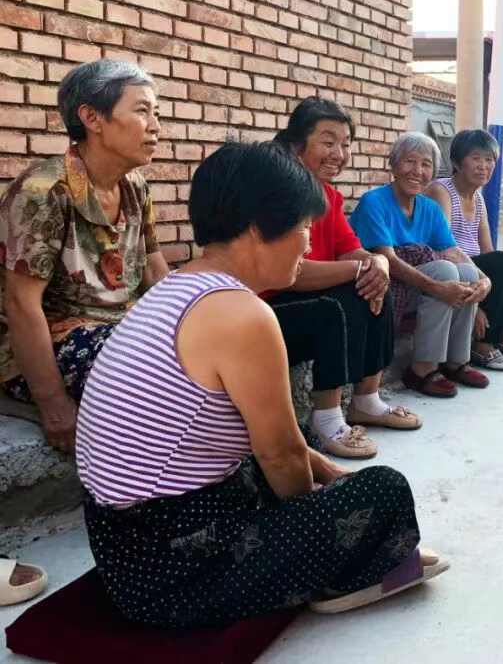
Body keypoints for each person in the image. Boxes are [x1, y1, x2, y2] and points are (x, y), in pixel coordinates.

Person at [75, 142, 447, 629]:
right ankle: (339, 575)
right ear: (257, 229)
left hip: (123, 547)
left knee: (301, 438)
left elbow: (274, 441)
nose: (309, 246)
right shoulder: (243, 313)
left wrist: (324, 470)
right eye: (303, 228)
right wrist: (322, 524)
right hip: (177, 572)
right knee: (386, 488)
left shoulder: (175, 287)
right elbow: (280, 458)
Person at [0, 59, 168, 453]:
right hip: (55, 341)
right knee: (152, 369)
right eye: (142, 111)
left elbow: (154, 269)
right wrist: (54, 404)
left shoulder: (135, 187)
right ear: (92, 118)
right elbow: (21, 305)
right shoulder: (44, 192)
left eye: (156, 113)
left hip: (122, 330)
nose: (156, 126)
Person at [268, 98, 421, 459]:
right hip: (268, 310)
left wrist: (378, 265)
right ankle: (326, 419)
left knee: (377, 285)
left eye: (346, 143)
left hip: (311, 301)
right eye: (328, 141)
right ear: (297, 145)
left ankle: (367, 400)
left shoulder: (328, 196)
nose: (339, 153)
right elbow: (289, 275)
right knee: (342, 301)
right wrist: (362, 269)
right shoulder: (280, 193)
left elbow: (352, 250)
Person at [349, 133, 491, 398]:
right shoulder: (374, 201)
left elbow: (453, 251)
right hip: (379, 287)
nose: (417, 171)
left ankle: (455, 362)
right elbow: (388, 261)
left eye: (426, 164)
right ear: (393, 166)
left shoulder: (429, 208)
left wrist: (484, 279)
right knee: (445, 271)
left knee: (467, 271)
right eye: (409, 161)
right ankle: (421, 369)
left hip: (413, 286)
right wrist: (437, 287)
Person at [425, 129, 503, 371]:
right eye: (476, 158)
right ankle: (482, 345)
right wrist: (474, 308)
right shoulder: (441, 191)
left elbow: (487, 249)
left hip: (473, 266)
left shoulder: (478, 198)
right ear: (457, 162)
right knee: (502, 262)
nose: (483, 166)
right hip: (452, 266)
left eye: (489, 160)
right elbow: (442, 248)